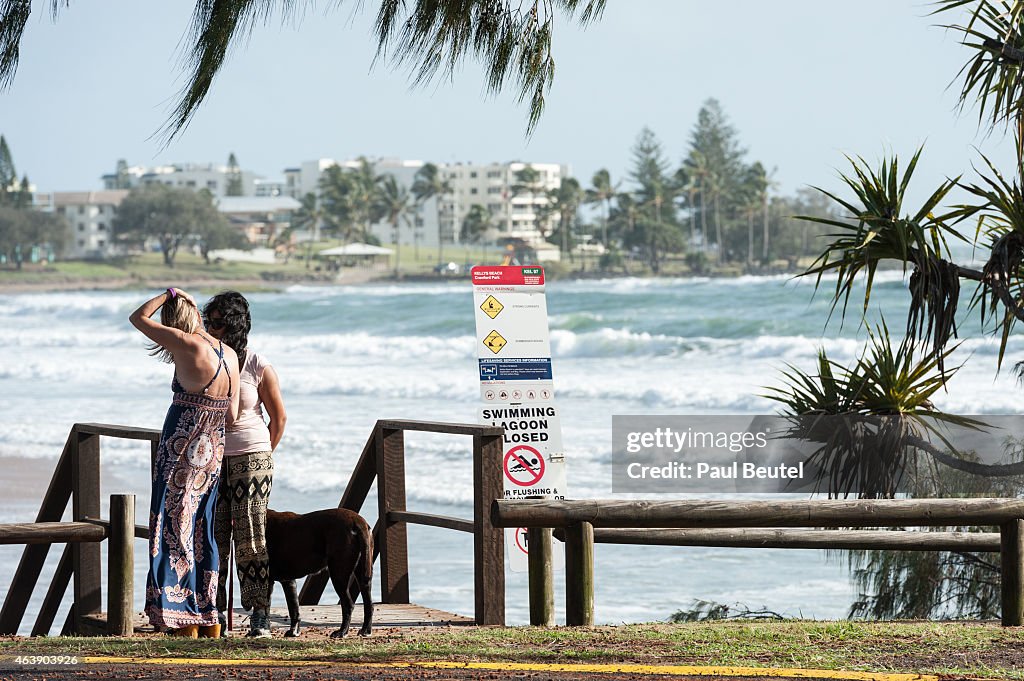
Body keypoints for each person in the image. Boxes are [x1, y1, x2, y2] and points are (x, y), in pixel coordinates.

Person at [130, 288, 240, 638]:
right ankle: (210, 616)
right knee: (201, 527)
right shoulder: (230, 355)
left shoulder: (187, 343)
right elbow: (234, 415)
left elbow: (137, 318)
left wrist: (168, 293)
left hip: (181, 447)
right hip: (212, 452)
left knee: (171, 525)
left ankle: (180, 618)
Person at [204, 291, 287, 638]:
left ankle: (259, 615)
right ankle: (213, 614)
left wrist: (262, 454)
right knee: (213, 536)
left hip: (252, 456)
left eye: (218, 322)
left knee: (251, 537)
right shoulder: (207, 359)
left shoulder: (256, 364)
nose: (211, 327)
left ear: (235, 325)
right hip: (211, 460)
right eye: (208, 321)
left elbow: (278, 418)